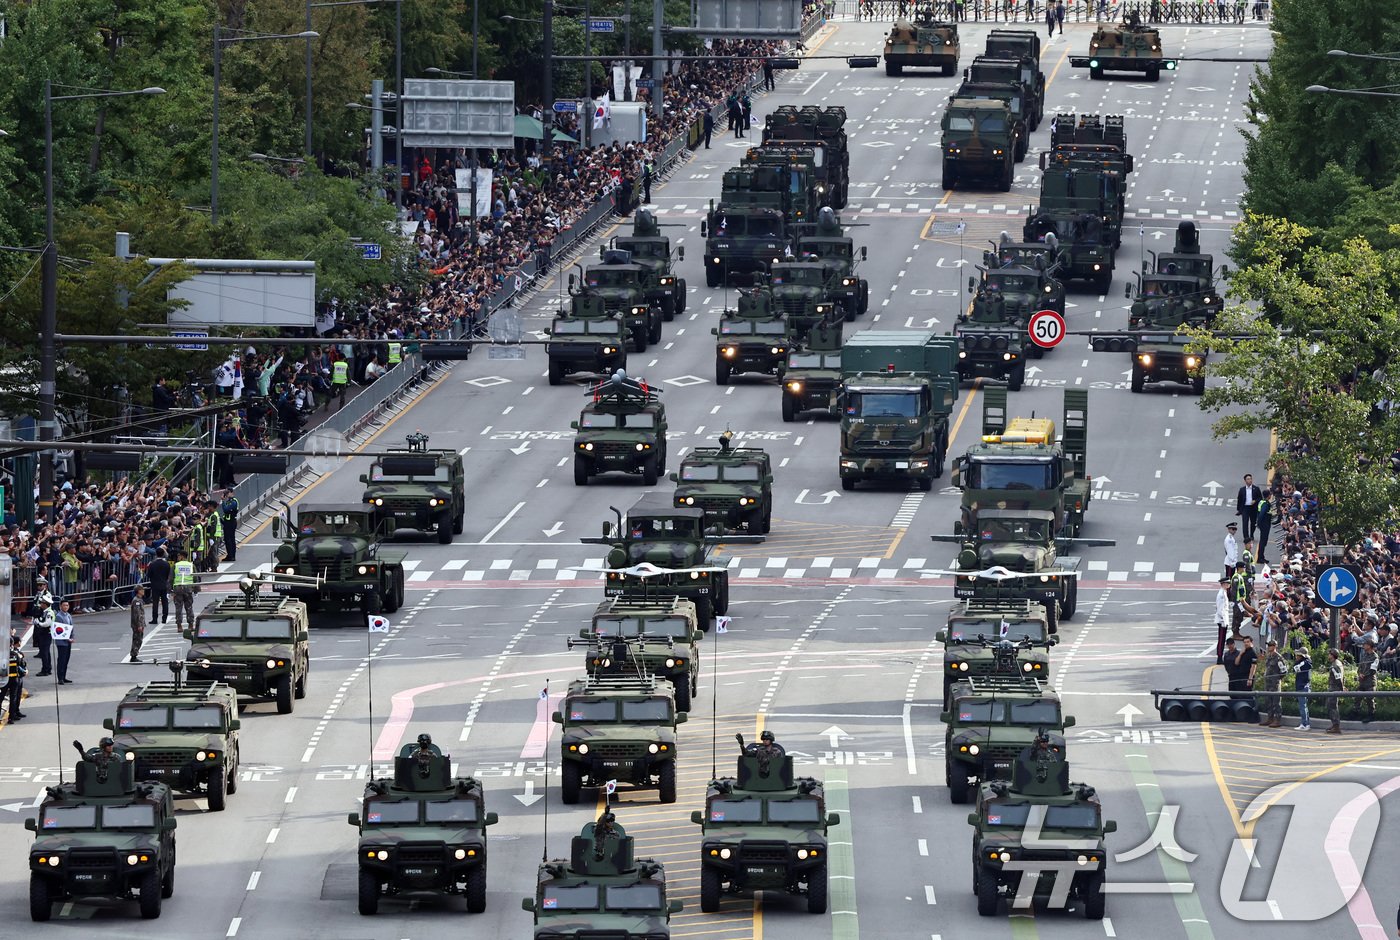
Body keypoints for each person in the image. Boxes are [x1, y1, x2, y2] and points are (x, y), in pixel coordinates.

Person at [1260, 639, 1284, 727]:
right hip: (1268, 683)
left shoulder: (1278, 658)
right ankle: (1270, 718)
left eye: (1270, 645)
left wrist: (1277, 679)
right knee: (1268, 701)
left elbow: (1284, 671)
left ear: (1274, 646)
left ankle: (1277, 720)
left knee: (1276, 702)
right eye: (1268, 645)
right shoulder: (1269, 656)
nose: (1268, 647)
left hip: (1275, 683)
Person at [3, 633, 27, 722]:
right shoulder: (15, 654)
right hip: (15, 679)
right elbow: (21, 664)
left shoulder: (2, 655)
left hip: (4, 679)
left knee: (1, 697)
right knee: (13, 698)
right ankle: (11, 717)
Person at [172, 550, 197, 630]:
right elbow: (195, 577)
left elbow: (171, 578)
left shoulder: (176, 565)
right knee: (189, 607)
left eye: (179, 556)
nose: (178, 558)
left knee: (178, 608)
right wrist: (196, 589)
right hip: (188, 588)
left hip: (178, 588)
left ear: (182, 556)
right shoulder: (191, 565)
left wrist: (169, 590)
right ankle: (191, 625)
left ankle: (179, 626)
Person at [147, 547, 172, 625]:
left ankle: (155, 619)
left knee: (155, 602)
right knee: (165, 602)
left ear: (156, 554)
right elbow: (168, 574)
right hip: (164, 584)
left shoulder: (152, 564)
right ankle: (164, 618)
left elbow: (149, 575)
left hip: (155, 584)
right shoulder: (167, 564)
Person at [33, 592, 55, 677]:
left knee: (44, 652)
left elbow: (47, 623)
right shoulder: (44, 611)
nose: (40, 604)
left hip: (46, 634)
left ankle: (45, 669)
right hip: (43, 634)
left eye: (42, 603)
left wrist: (39, 623)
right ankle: (48, 668)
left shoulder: (49, 613)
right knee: (46, 652)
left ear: (45, 604)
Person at [1291, 643, 1312, 730]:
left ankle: (1305, 724)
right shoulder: (1304, 662)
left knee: (1303, 706)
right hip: (1301, 686)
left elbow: (1294, 668)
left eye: (1298, 655)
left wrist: (1296, 663)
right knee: (1302, 706)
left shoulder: (1305, 663)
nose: (1296, 656)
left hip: (1303, 686)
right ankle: (1304, 723)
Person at [1236, 473, 1261, 543]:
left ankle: (1251, 534)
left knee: (1253, 523)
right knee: (1245, 523)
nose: (1250, 480)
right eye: (1248, 479)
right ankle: (1246, 537)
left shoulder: (1256, 488)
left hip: (1253, 508)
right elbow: (1239, 500)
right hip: (1245, 508)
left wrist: (1255, 501)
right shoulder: (1242, 490)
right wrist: (1239, 509)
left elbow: (1260, 498)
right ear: (1245, 481)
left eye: (1250, 479)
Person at [54, 599, 74, 685]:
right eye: (64, 605)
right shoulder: (59, 616)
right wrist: (67, 639)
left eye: (67, 605)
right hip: (62, 642)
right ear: (60, 606)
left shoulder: (68, 615)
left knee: (66, 659)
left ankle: (64, 676)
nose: (66, 607)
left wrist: (72, 637)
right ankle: (60, 678)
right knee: (61, 660)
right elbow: (59, 630)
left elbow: (71, 627)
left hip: (68, 641)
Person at [1357, 638, 1378, 722]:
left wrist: (1365, 675)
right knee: (1358, 697)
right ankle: (1356, 713)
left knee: (1370, 699)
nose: (1363, 646)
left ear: (1369, 646)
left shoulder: (1375, 656)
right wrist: (1360, 673)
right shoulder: (1364, 655)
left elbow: (1373, 670)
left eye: (1365, 644)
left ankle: (1371, 715)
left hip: (1370, 681)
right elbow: (1360, 667)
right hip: (1362, 681)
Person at [1326, 648, 1344, 734]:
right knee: (1332, 706)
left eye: (1329, 654)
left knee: (1332, 707)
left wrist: (1341, 688)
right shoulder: (1337, 663)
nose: (1328, 656)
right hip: (1334, 688)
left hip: (1334, 688)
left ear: (1332, 655)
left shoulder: (1335, 665)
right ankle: (1334, 724)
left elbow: (1338, 678)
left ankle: (1336, 726)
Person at [1255, 487, 1276, 563]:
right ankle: (1260, 557)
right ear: (1269, 495)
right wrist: (1259, 523)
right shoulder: (1266, 504)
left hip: (1264, 523)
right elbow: (1262, 514)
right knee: (1263, 541)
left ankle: (1261, 556)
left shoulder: (1262, 501)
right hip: (1264, 524)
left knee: (1263, 540)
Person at [220, 489, 240, 563]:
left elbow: (226, 509)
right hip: (227, 522)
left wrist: (222, 501)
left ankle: (232, 556)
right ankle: (229, 555)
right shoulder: (228, 501)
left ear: (232, 493)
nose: (227, 494)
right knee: (227, 539)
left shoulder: (234, 502)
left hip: (231, 522)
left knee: (230, 539)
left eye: (228, 493)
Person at [1214, 576, 1231, 663]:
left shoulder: (1223, 592)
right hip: (1222, 620)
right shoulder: (1221, 594)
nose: (1229, 585)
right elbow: (1220, 609)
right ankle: (1219, 657)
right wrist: (1223, 621)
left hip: (1223, 619)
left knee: (1222, 638)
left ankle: (1220, 655)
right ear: (1223, 584)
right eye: (1227, 583)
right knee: (1221, 639)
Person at [129, 584, 147, 662]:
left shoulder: (140, 600)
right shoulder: (136, 601)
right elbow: (137, 614)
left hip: (139, 623)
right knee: (137, 639)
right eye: (142, 590)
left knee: (139, 639)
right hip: (137, 624)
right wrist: (139, 625)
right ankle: (133, 655)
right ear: (138, 591)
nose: (143, 591)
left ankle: (135, 654)